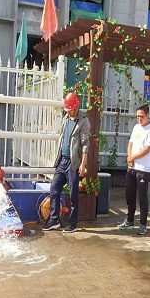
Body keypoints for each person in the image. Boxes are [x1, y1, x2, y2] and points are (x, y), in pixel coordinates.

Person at [43, 92, 90, 233]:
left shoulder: (83, 121)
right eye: (67, 109)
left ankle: (72, 223)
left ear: (76, 107)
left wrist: (83, 163)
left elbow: (85, 144)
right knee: (54, 188)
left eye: (70, 109)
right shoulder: (66, 118)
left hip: (73, 163)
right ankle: (54, 220)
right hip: (62, 161)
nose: (68, 112)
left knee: (73, 193)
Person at [118, 104, 150, 235]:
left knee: (142, 197)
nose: (139, 119)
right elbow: (131, 143)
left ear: (147, 115)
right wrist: (129, 157)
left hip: (143, 169)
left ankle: (143, 224)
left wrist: (133, 157)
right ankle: (129, 220)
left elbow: (146, 149)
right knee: (129, 194)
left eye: (142, 116)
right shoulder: (136, 127)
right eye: (137, 116)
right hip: (132, 167)